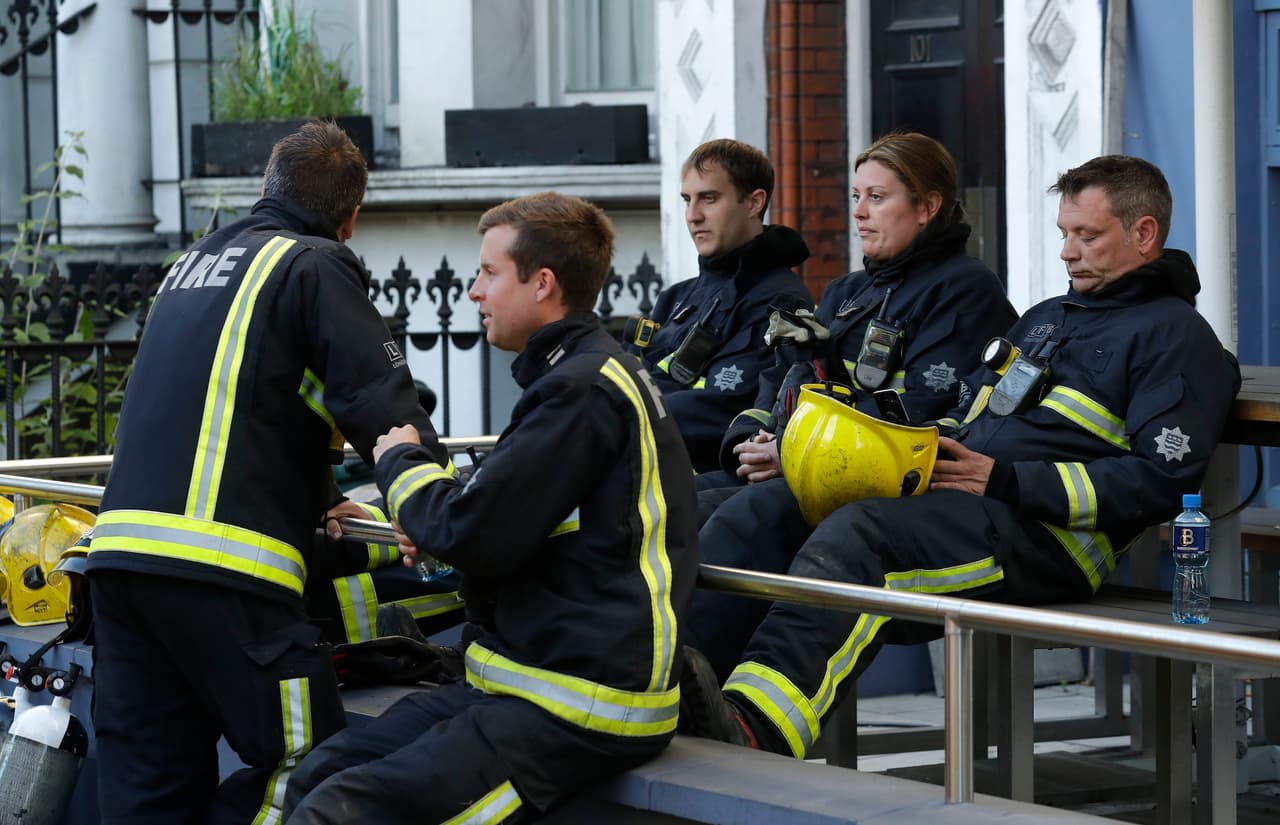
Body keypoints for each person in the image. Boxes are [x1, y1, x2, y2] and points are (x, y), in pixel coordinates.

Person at [679, 154, 1242, 759]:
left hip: (1043, 541)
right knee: (766, 510)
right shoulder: (1049, 319)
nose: (1066, 253)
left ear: (1145, 234)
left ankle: (752, 728)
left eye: (1087, 236)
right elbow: (963, 413)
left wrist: (1004, 481)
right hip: (953, 497)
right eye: (1063, 234)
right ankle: (673, 698)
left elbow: (1159, 482)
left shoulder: (1178, 339)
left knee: (858, 538)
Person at [283, 192, 699, 823]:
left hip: (578, 703)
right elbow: (504, 522)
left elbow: (470, 529)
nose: (474, 291)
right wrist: (444, 527)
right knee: (320, 772)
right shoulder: (578, 378)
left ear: (543, 284)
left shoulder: (580, 391)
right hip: (518, 681)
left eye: (488, 273)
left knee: (345, 811)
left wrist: (401, 459)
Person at [85, 120, 442, 824]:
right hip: (224, 572)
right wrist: (428, 499)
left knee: (146, 787)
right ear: (351, 218)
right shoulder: (315, 263)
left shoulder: (191, 265)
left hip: (120, 563)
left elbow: (235, 402)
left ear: (264, 189)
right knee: (309, 764)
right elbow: (379, 399)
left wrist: (319, 494)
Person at [687, 132, 1018, 673]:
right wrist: (759, 439)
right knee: (686, 500)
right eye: (856, 197)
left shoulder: (965, 291)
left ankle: (689, 682)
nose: (860, 214)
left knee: (749, 517)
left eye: (878, 198)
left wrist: (797, 450)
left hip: (882, 494)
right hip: (803, 470)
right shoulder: (846, 291)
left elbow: (927, 415)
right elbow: (787, 379)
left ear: (928, 207)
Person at [627, 138, 813, 474]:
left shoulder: (781, 301)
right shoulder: (675, 298)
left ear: (754, 202)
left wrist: (623, 417)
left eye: (708, 199)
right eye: (687, 200)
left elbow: (728, 406)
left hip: (699, 484)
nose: (693, 216)